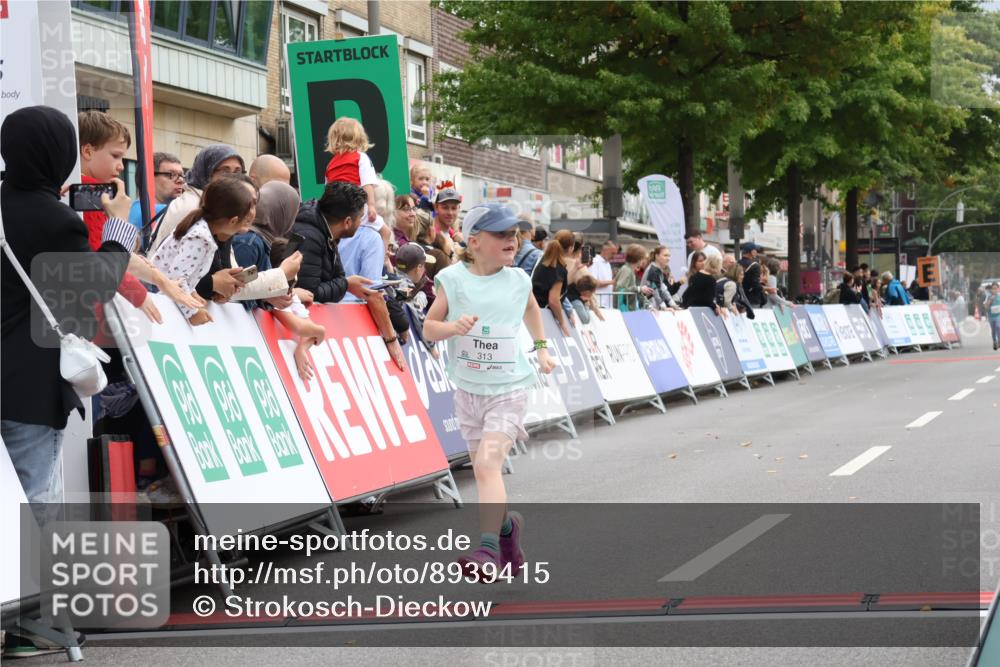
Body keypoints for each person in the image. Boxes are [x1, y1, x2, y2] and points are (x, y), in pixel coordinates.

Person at [1, 105, 140, 503]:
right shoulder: (56, 220)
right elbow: (96, 283)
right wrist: (118, 229)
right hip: (28, 389)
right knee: (35, 500)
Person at [423, 204, 556, 579]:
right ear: (474, 241)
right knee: (484, 475)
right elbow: (428, 328)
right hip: (468, 391)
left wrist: (542, 349)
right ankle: (507, 531)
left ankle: (487, 551)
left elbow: (531, 309)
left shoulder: (518, 280)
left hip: (509, 388)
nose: (511, 240)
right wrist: (453, 328)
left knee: (486, 466)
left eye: (514, 233)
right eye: (501, 234)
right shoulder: (452, 279)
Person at [293, 181, 406, 370]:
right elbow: (308, 293)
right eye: (360, 218)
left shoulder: (327, 232)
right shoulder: (312, 236)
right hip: (309, 329)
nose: (363, 223)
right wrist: (391, 338)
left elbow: (338, 278)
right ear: (347, 222)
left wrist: (344, 283)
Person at [152, 175, 260, 325]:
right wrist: (192, 313)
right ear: (233, 220)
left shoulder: (203, 231)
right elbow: (176, 278)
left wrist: (193, 294)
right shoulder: (200, 238)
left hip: (165, 300)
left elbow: (186, 275)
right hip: (161, 301)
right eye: (244, 218)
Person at [148, 143, 246, 256]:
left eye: (237, 172)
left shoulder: (212, 203)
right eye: (225, 171)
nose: (232, 178)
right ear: (207, 172)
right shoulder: (194, 206)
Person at [129, 151, 185, 232]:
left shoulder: (133, 210)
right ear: (148, 178)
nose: (180, 180)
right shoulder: (168, 212)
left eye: (181, 175)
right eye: (171, 174)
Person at [532, 229, 574, 335]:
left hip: (533, 310)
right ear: (570, 248)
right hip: (542, 315)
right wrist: (562, 323)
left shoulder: (545, 260)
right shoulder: (558, 267)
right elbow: (554, 300)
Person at [642, 246, 681, 310]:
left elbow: (663, 289)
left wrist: (673, 304)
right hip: (650, 308)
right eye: (665, 255)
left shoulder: (658, 269)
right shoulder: (653, 270)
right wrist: (663, 307)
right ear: (657, 256)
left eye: (669, 256)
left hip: (654, 307)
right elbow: (653, 290)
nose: (668, 258)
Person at [739, 242, 766, 308]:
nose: (756, 252)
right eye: (756, 250)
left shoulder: (737, 263)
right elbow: (756, 285)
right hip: (752, 299)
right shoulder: (755, 266)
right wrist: (767, 289)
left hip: (739, 298)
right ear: (752, 252)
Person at [591, 240, 617, 309]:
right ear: (605, 250)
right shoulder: (595, 261)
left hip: (607, 305)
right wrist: (612, 282)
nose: (614, 256)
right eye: (612, 253)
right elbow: (593, 282)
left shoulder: (608, 263)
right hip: (598, 304)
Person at [985, 282, 1000, 350]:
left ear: (998, 289)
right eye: (993, 289)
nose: (995, 290)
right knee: (993, 331)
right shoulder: (988, 297)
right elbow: (986, 307)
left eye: (996, 289)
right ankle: (994, 341)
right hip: (991, 316)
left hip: (998, 315)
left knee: (998, 326)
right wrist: (990, 300)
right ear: (991, 290)